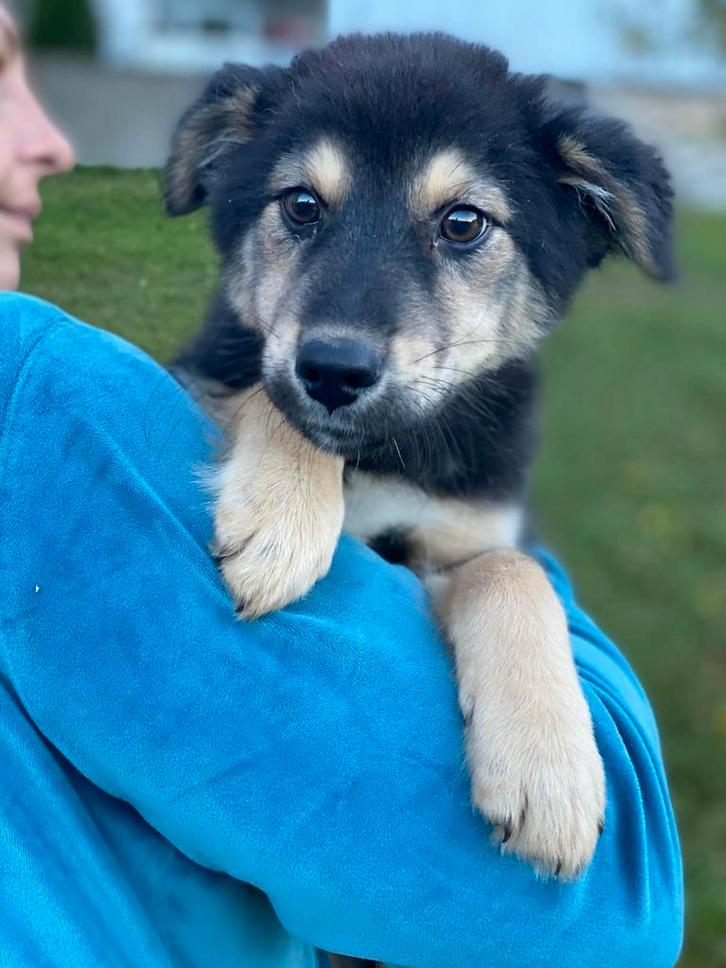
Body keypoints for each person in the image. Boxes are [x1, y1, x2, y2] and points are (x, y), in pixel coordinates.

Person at [0, 6, 684, 966]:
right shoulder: (34, 400)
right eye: (304, 212)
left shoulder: (475, 465)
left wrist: (508, 592)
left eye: (460, 226)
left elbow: (473, 559)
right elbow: (607, 917)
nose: (347, 325)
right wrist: (283, 435)